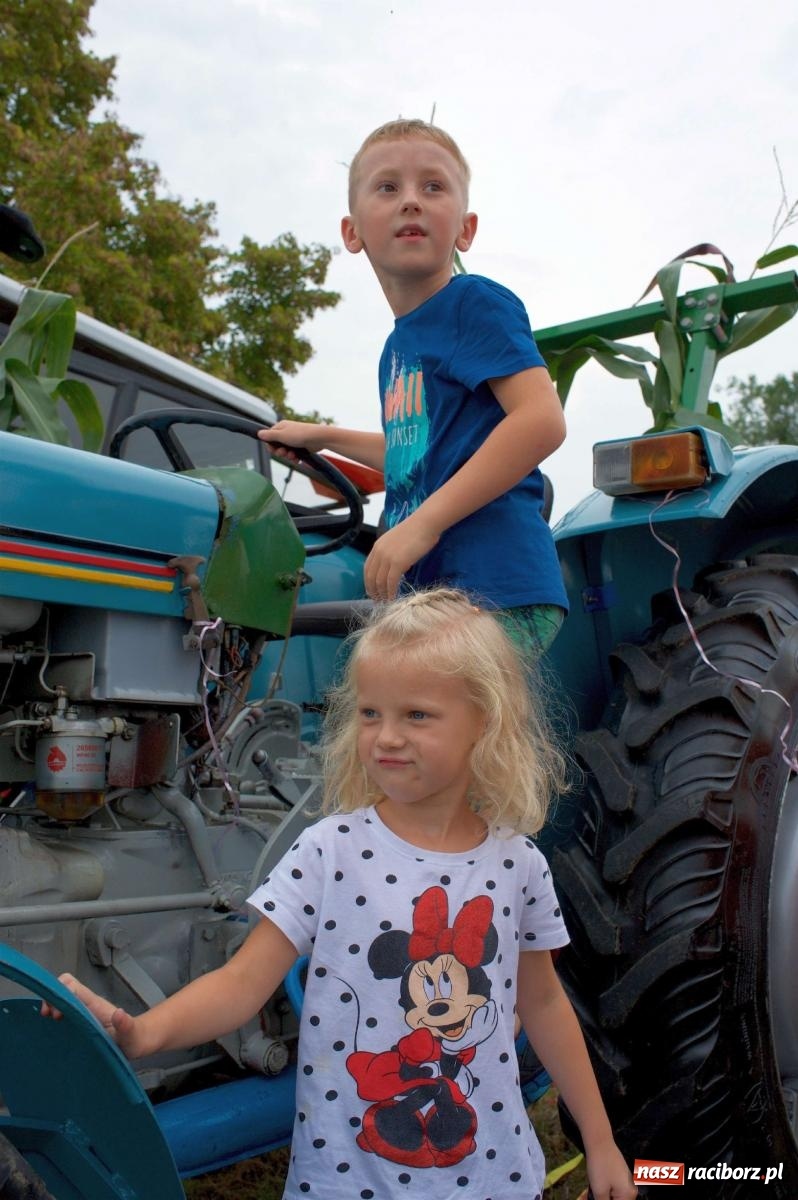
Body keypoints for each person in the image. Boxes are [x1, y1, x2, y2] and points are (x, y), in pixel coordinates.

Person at [43, 588, 636, 1200]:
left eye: (417, 715)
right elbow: (241, 984)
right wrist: (144, 1033)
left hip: (490, 1178)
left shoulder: (520, 864)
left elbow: (542, 1005)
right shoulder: (330, 850)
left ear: (483, 720)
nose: (386, 737)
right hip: (349, 1182)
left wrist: (600, 1140)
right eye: (371, 714)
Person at [259, 118, 568, 662]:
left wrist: (420, 525)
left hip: (492, 586)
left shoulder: (473, 302)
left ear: (465, 230)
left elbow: (541, 420)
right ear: (352, 232)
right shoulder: (397, 349)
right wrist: (324, 436)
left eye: (433, 186)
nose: (411, 202)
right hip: (428, 594)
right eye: (387, 187)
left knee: (438, 739)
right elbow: (418, 453)